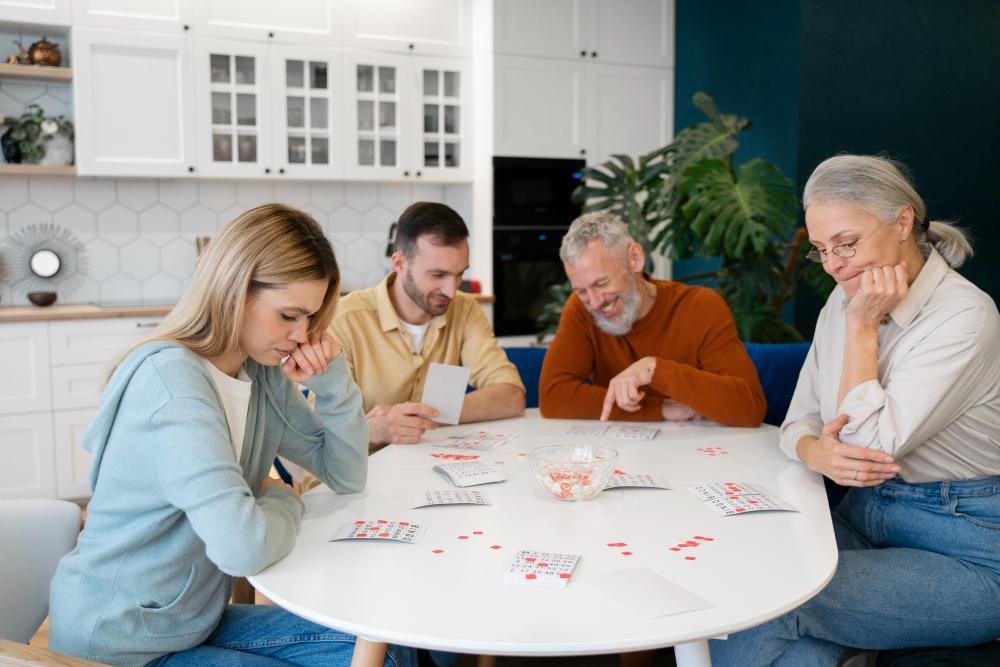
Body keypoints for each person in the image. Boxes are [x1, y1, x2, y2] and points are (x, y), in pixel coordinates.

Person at [47, 204, 414, 667]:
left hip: (190, 620)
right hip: (121, 644)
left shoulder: (259, 373)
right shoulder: (171, 383)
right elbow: (243, 549)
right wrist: (285, 497)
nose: (303, 336)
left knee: (383, 649)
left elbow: (346, 474)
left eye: (311, 319)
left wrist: (333, 381)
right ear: (234, 291)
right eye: (289, 316)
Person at [710, 155, 1000, 666]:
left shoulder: (965, 316)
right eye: (822, 249)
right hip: (864, 516)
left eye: (847, 243)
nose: (834, 265)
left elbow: (865, 447)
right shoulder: (841, 300)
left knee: (769, 594)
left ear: (903, 221)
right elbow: (799, 422)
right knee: (759, 595)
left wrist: (863, 327)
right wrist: (817, 455)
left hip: (966, 547)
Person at [538, 212, 766, 427]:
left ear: (635, 259)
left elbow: (750, 407)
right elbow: (553, 396)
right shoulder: (581, 309)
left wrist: (654, 369)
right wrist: (658, 409)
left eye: (602, 283)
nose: (595, 302)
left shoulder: (700, 306)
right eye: (581, 291)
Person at [330, 202, 525, 448]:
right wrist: (378, 429)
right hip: (358, 476)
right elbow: (321, 430)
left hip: (426, 470)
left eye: (459, 274)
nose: (452, 290)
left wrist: (419, 416)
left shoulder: (464, 310)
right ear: (399, 263)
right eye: (437, 275)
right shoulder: (343, 319)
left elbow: (511, 396)